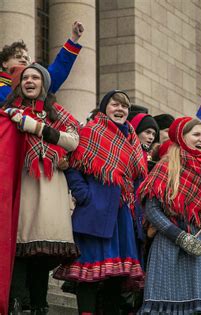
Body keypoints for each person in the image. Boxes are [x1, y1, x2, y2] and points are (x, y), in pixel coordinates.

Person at [53, 90, 146, 315]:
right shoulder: (91, 131)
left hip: (122, 215)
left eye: (124, 106)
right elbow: (72, 165)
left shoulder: (132, 139)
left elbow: (137, 178)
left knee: (117, 274)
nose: (120, 109)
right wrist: (85, 195)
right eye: (115, 104)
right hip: (95, 212)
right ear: (105, 107)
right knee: (89, 273)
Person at [2, 63, 81, 314]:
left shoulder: (56, 113)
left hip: (50, 185)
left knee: (41, 251)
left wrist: (36, 127)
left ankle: (39, 305)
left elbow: (73, 140)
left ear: (44, 84)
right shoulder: (8, 112)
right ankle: (15, 303)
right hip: (21, 183)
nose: (30, 81)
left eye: (35, 77)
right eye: (25, 77)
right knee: (20, 246)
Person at [137, 117, 201, 314]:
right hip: (169, 243)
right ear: (181, 137)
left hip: (198, 245)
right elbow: (152, 210)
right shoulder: (166, 166)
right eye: (196, 135)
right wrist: (179, 236)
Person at [0, 21, 84, 101]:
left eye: (26, 58)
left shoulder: (38, 84)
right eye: (18, 57)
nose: (23, 60)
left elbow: (57, 70)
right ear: (4, 63)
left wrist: (74, 39)